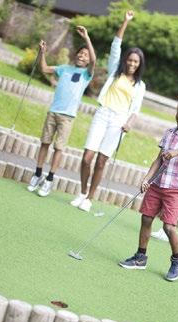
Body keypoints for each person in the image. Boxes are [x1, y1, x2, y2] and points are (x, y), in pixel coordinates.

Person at [119, 97, 178, 281]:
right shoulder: (169, 133)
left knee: (168, 226)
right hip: (158, 184)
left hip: (177, 188)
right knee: (147, 218)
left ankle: (177, 260)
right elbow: (158, 159)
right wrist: (146, 178)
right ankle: (140, 257)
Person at [70, 10, 146, 212]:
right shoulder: (115, 71)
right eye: (130, 60)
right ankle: (82, 192)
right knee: (87, 157)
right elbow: (116, 46)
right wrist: (125, 22)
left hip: (119, 122)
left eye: (135, 62)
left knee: (102, 161)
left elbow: (135, 111)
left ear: (139, 65)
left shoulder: (140, 86)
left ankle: (90, 199)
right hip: (103, 114)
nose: (131, 63)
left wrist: (129, 123)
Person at [27, 26, 96, 196]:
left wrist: (87, 38)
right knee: (45, 143)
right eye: (80, 53)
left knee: (59, 148)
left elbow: (94, 60)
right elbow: (44, 69)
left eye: (85, 55)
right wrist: (42, 52)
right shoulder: (64, 68)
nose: (82, 56)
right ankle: (37, 174)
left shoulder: (87, 74)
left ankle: (49, 179)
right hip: (53, 111)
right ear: (76, 55)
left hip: (67, 117)